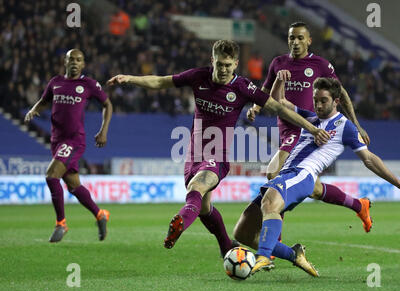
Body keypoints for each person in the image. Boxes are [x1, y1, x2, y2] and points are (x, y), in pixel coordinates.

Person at [106, 40, 330, 257]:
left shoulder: (242, 87)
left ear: (235, 64)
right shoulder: (198, 76)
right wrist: (130, 78)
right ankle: (226, 246)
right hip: (194, 154)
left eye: (228, 65)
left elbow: (279, 109)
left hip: (217, 157)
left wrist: (311, 128)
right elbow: (160, 82)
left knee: (197, 186)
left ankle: (179, 224)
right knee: (203, 207)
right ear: (212, 60)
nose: (223, 70)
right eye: (219, 64)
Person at [249, 77, 400, 276]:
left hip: (302, 174)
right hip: (292, 173)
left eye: (323, 100)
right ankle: (295, 253)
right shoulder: (310, 118)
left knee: (270, 202)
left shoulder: (344, 126)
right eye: (316, 100)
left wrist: (398, 182)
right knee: (243, 231)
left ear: (336, 102)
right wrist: (279, 80)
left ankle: (263, 256)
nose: (318, 105)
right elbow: (278, 103)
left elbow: (369, 159)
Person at [237, 22, 372, 248]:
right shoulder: (278, 63)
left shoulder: (320, 65)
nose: (295, 42)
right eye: (292, 38)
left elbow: (342, 93)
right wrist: (257, 107)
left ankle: (272, 244)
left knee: (274, 175)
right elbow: (267, 90)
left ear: (309, 40)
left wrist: (356, 124)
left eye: (300, 38)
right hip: (286, 130)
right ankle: (359, 206)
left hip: (307, 130)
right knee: (314, 187)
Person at [24, 49, 113, 243]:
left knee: (51, 176)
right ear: (65, 62)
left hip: (74, 140)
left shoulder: (88, 84)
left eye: (78, 60)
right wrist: (34, 110)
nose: (74, 62)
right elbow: (44, 101)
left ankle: (61, 223)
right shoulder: (55, 82)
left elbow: (107, 104)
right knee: (73, 185)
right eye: (71, 59)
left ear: (83, 64)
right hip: (56, 140)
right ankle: (100, 215)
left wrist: (103, 130)